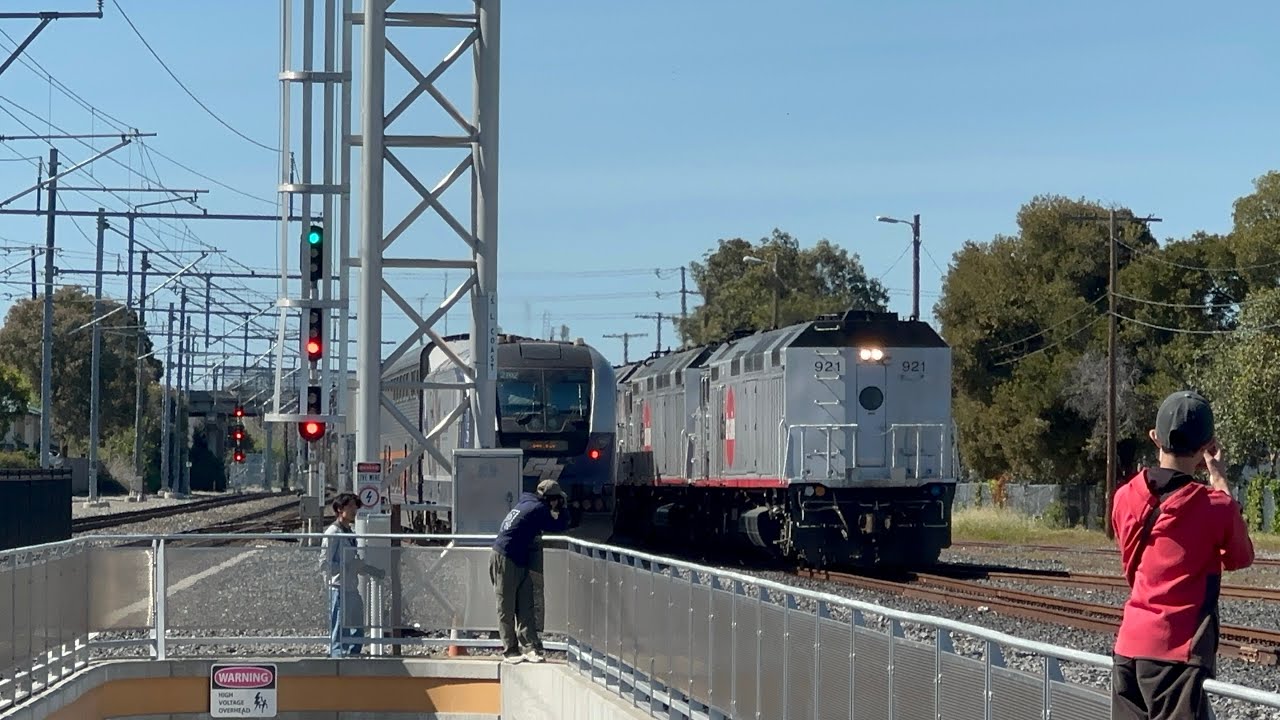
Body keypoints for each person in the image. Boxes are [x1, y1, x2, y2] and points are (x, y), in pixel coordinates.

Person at [1111, 390, 1255, 720]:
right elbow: (1240, 556)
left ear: (1155, 437)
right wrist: (1219, 478)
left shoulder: (1124, 496)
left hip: (1128, 648)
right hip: (1177, 654)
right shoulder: (1216, 507)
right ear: (1207, 446)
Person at [490, 479, 570, 663]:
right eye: (557, 499)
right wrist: (564, 508)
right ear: (552, 499)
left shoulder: (527, 501)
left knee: (526, 604)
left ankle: (530, 647)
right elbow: (560, 525)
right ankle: (510, 650)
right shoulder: (538, 509)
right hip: (504, 557)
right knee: (506, 606)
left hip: (519, 557)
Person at [320, 492, 384, 657]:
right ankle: (338, 656)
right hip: (338, 587)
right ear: (339, 509)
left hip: (351, 586)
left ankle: (353, 653)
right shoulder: (333, 533)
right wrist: (348, 567)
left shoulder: (349, 532)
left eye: (355, 507)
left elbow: (352, 562)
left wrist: (368, 569)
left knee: (357, 625)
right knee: (339, 626)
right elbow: (325, 564)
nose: (354, 510)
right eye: (350, 506)